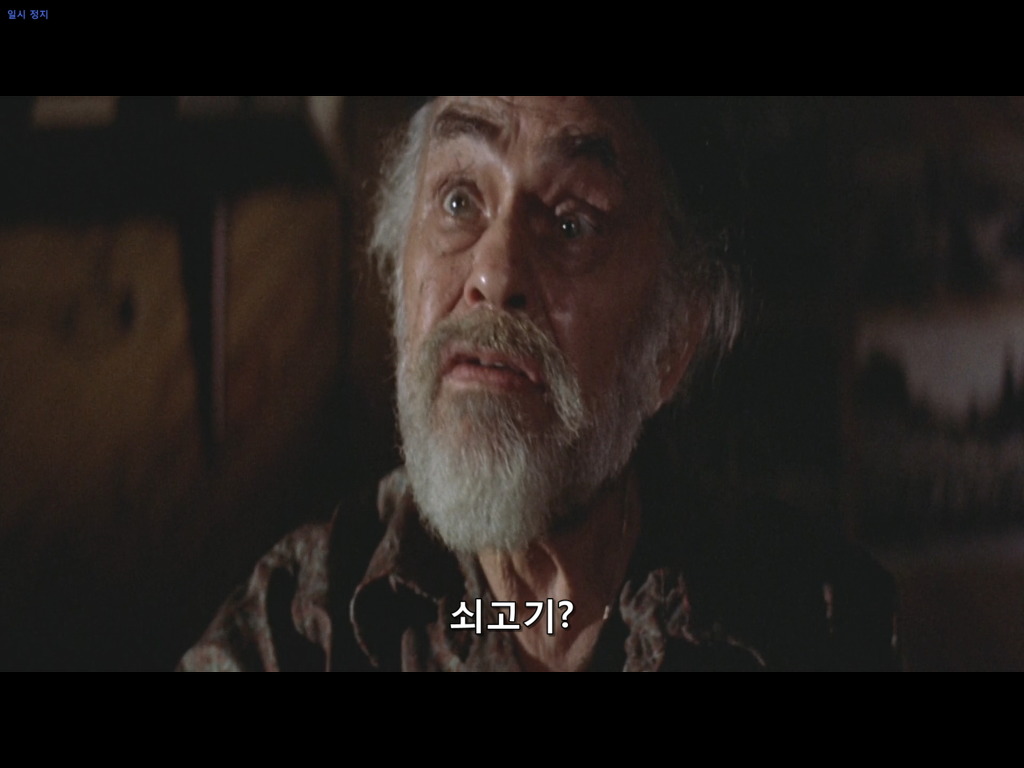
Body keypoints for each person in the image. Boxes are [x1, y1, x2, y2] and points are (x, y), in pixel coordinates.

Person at [179, 96, 898, 672]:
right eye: (458, 201)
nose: (494, 274)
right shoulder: (300, 631)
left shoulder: (811, 625)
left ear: (674, 338)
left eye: (572, 223)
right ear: (398, 275)